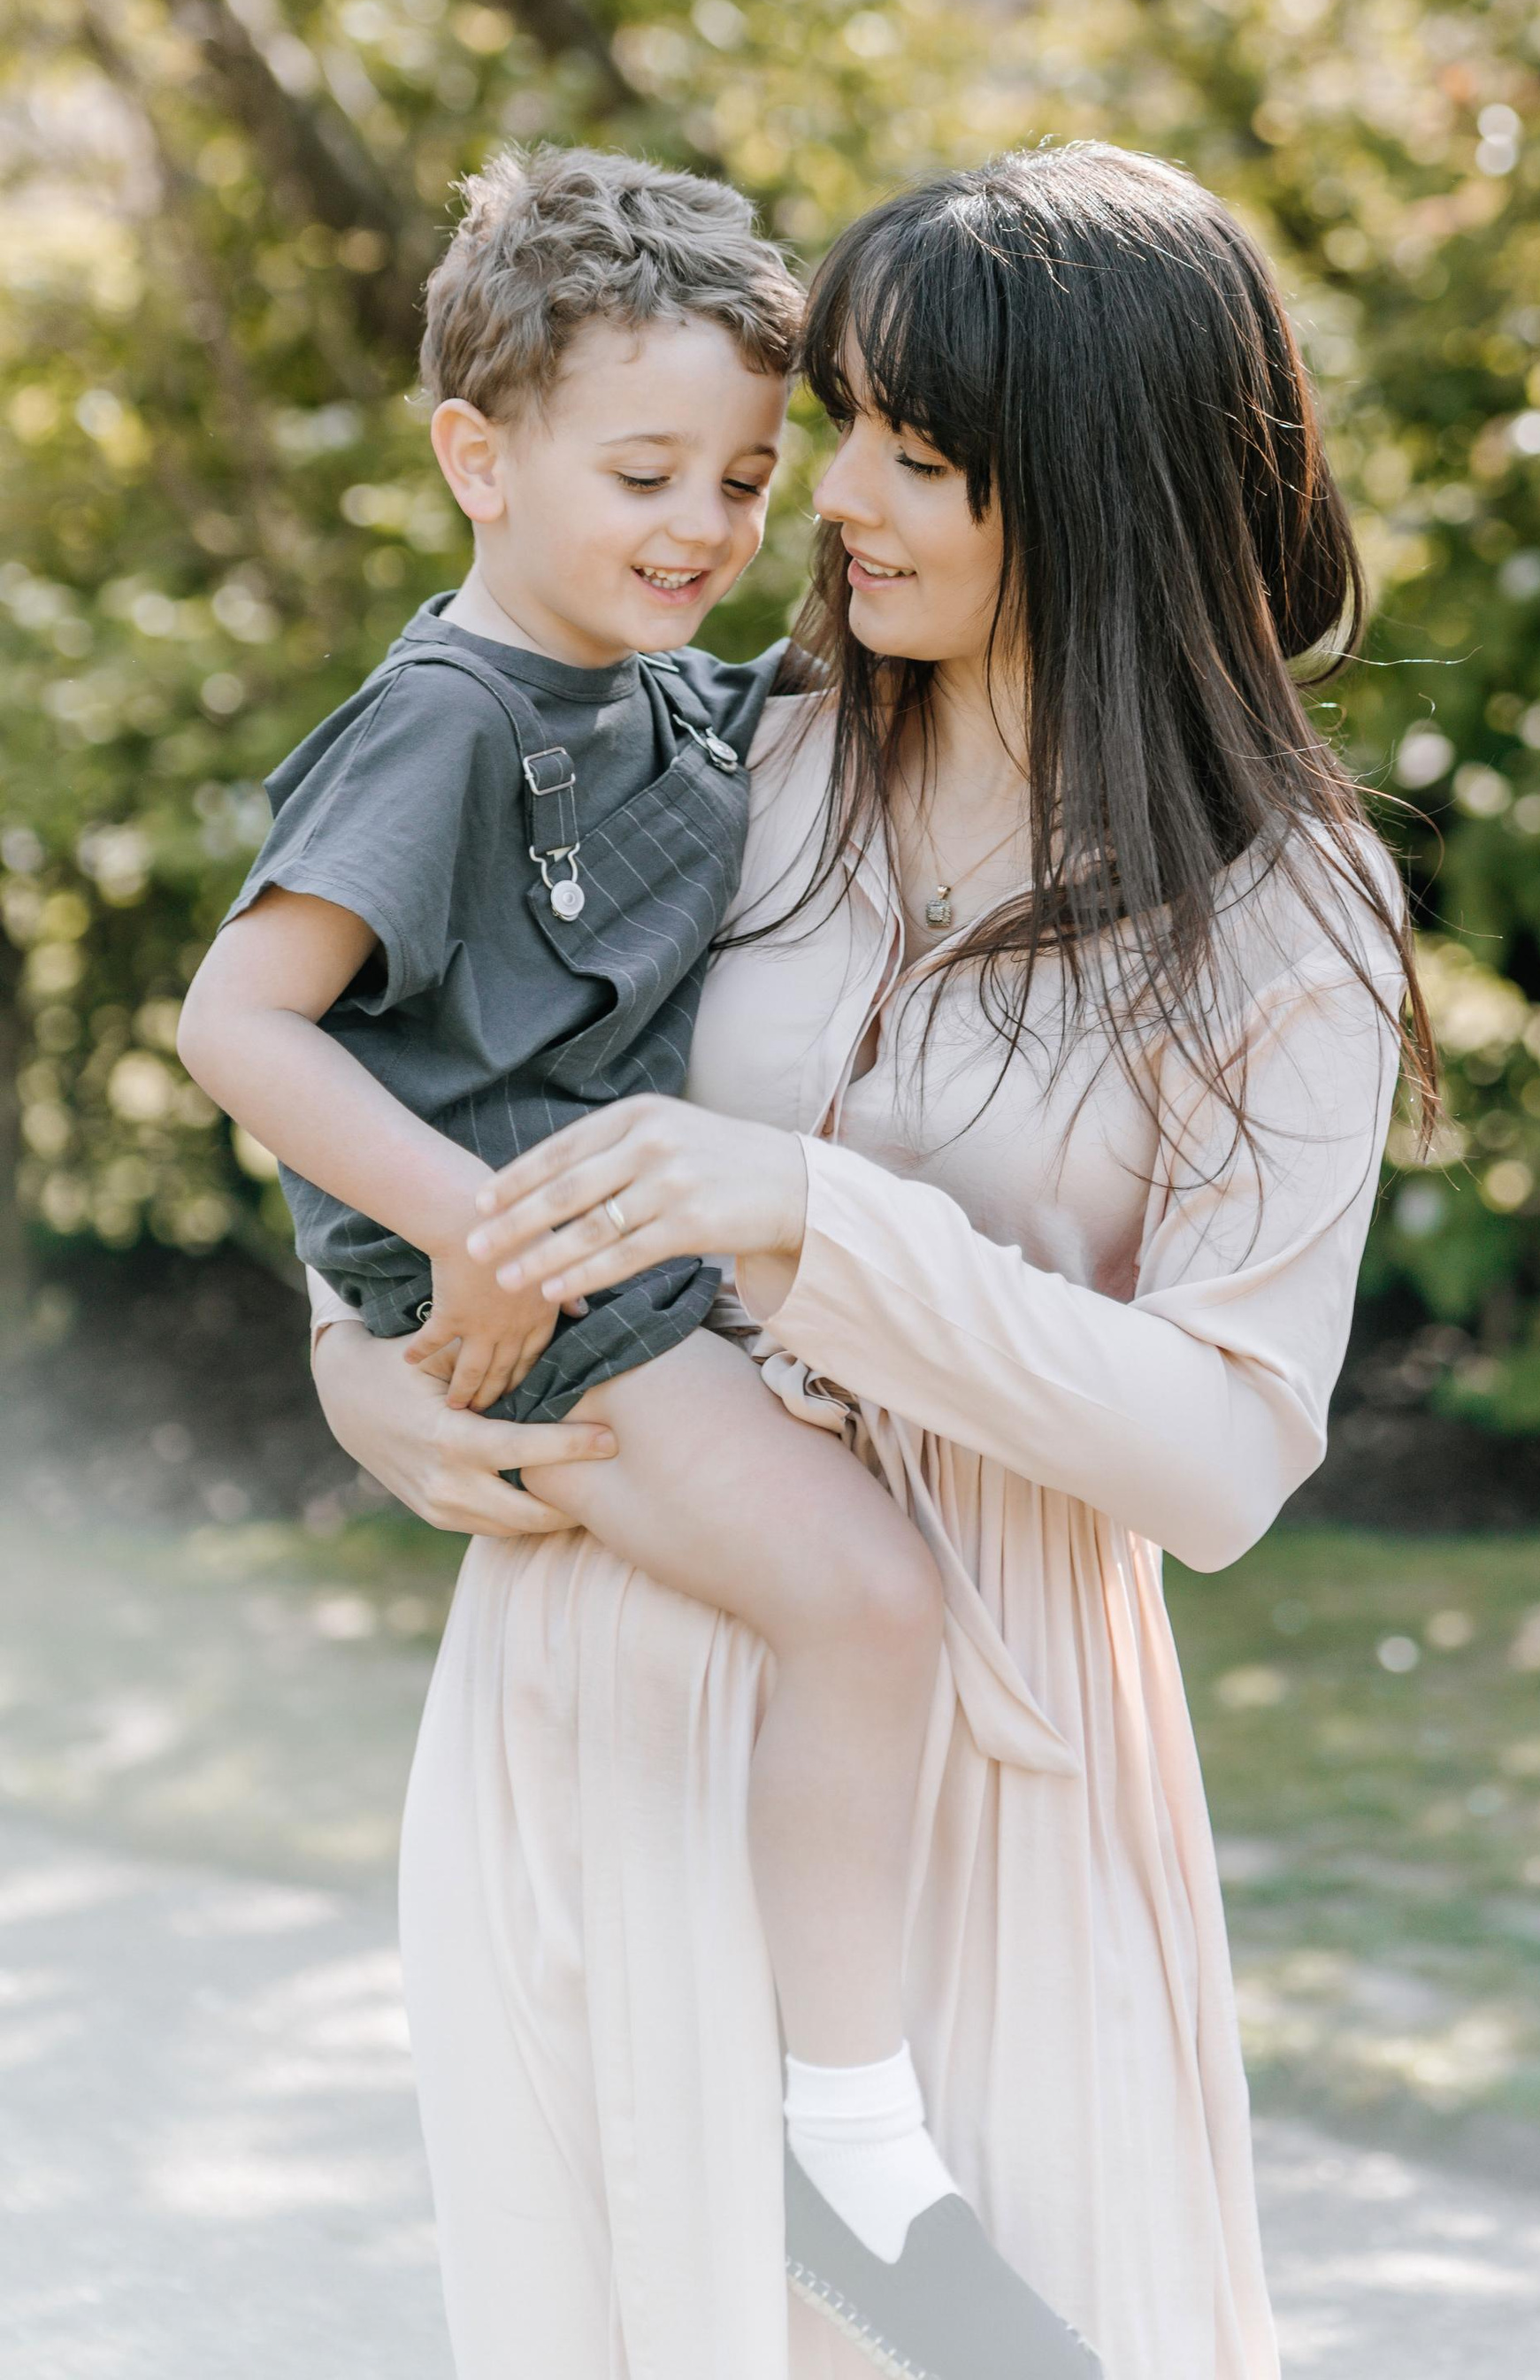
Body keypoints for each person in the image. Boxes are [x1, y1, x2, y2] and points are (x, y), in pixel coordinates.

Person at [313, 141, 1429, 2380]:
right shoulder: (729, 760)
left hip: (983, 1761)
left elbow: (1223, 1457)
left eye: (914, 455)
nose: (829, 499)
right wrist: (358, 1354)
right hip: (592, 1685)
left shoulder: (1282, 908)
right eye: (842, 428)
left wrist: (817, 1219)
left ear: (1093, 491)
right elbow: (437, 1063)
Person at [179, 144, 1087, 2372]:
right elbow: (240, 1022)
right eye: (646, 473)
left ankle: (834, 2122)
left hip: (615, 1264)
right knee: (868, 1595)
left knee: (860, 1601)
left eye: (746, 477)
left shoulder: (661, 690)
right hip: (554, 1282)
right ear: (477, 458)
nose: (704, 524)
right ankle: (848, 2151)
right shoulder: (454, 715)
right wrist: (468, 1238)